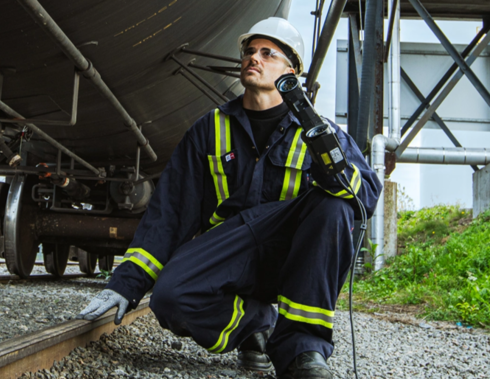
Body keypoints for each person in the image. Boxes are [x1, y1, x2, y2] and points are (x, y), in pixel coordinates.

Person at [75, 17, 382, 379]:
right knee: (171, 299)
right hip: (229, 249)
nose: (254, 58)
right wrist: (126, 282)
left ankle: (303, 352)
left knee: (334, 205)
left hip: (294, 257)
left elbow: (364, 196)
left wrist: (332, 168)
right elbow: (170, 212)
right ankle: (254, 326)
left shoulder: (320, 132)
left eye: (268, 53)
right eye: (250, 52)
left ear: (292, 71)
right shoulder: (210, 128)